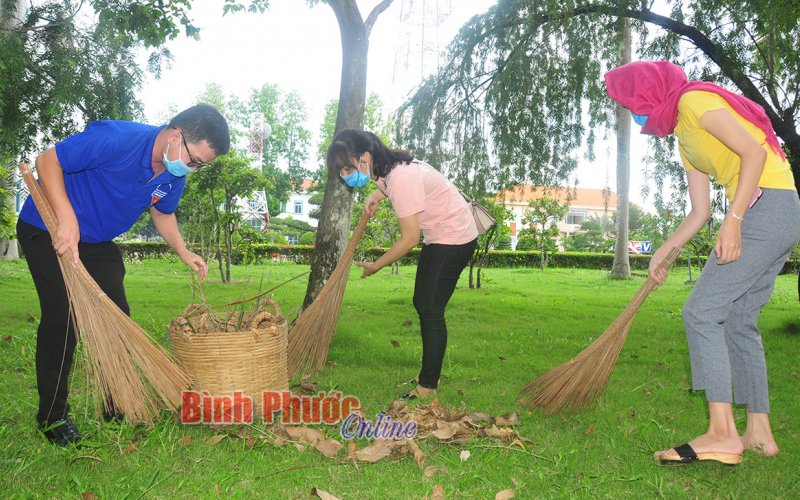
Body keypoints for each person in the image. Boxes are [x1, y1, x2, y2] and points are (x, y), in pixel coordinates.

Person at [605, 61, 800, 465]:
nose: (634, 113)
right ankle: (759, 433)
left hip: (766, 207)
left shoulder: (693, 101)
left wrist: (735, 220)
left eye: (632, 103)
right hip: (780, 210)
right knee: (740, 320)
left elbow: (754, 153)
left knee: (701, 312)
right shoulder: (684, 137)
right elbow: (699, 211)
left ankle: (722, 433)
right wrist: (666, 249)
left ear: (648, 93)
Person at [17, 104, 230, 445]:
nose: (191, 169)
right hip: (46, 225)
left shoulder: (173, 175)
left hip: (95, 240)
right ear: (175, 136)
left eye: (199, 166)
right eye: (193, 161)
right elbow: (47, 161)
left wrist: (183, 251)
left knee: (117, 315)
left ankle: (115, 401)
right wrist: (66, 219)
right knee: (64, 316)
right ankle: (52, 417)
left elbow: (163, 213)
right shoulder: (117, 138)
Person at [326, 129, 479, 400]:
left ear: (365, 158)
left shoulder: (401, 178)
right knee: (424, 303)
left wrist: (376, 265)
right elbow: (390, 186)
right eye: (341, 171)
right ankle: (428, 376)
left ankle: (427, 385)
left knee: (430, 308)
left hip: (454, 238)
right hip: (440, 235)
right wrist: (376, 195)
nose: (345, 175)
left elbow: (409, 239)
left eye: (347, 168)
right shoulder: (386, 170)